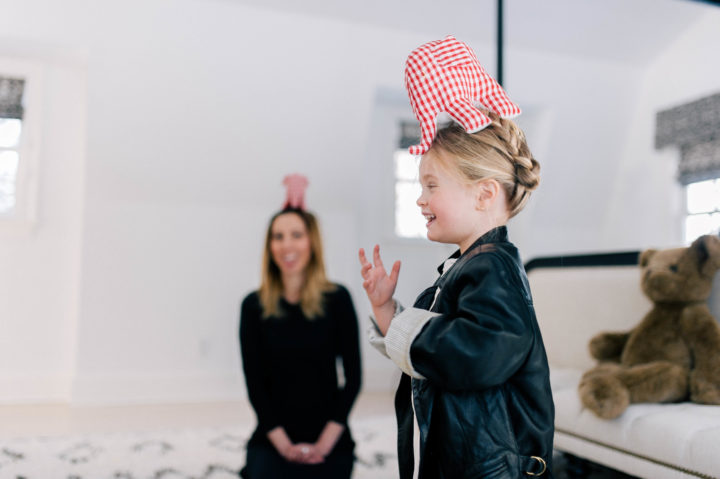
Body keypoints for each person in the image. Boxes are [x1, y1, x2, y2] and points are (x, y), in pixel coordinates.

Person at [359, 36, 555, 478]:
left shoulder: (495, 268)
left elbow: (479, 355)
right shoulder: (468, 266)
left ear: (484, 194)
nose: (420, 200)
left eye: (431, 185)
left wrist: (408, 324)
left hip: (492, 468)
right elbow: (439, 349)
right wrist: (386, 309)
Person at [240, 174, 361, 479]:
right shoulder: (252, 306)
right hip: (274, 435)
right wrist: (283, 446)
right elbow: (255, 385)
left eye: (296, 234)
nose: (286, 245)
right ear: (269, 246)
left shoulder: (338, 298)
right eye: (278, 236)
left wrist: (325, 443)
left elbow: (354, 377)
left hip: (328, 432)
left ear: (312, 242)